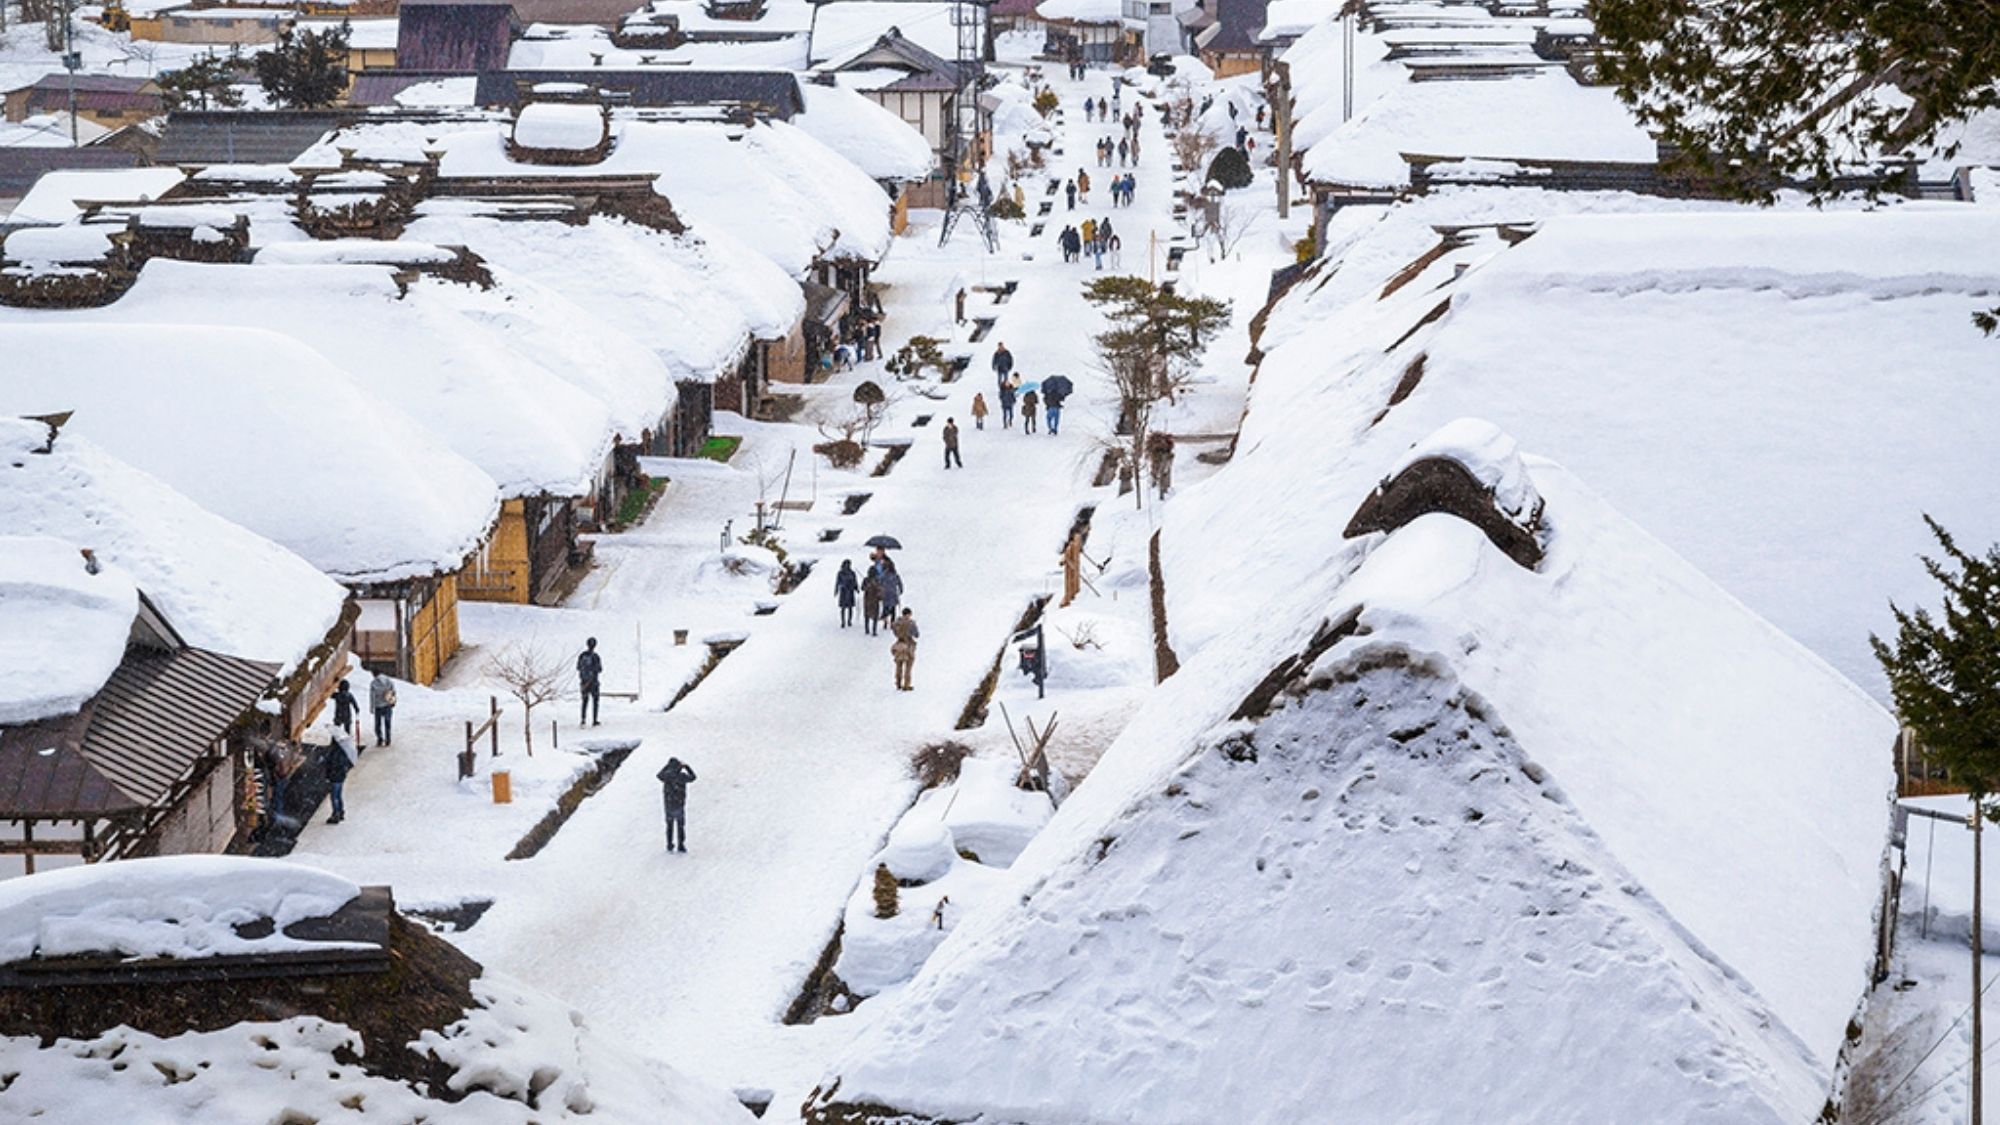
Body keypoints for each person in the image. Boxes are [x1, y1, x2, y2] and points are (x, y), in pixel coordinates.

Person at [657, 757, 696, 853]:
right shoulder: (682, 776)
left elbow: (658, 775)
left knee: (669, 826)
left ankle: (669, 844)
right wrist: (686, 767)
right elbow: (693, 777)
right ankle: (681, 845)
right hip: (679, 804)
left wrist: (666, 766)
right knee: (680, 826)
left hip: (668, 805)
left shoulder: (666, 776)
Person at [323, 730, 355, 825]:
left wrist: (330, 772)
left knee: (334, 796)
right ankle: (340, 811)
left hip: (335, 776)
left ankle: (336, 813)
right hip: (340, 776)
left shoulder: (335, 752)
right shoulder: (343, 750)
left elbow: (332, 763)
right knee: (338, 795)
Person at [890, 607, 920, 691]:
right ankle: (907, 684)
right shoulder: (911, 623)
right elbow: (916, 634)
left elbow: (894, 630)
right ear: (908, 614)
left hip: (899, 644)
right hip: (908, 645)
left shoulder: (897, 623)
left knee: (898, 665)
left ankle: (898, 683)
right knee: (908, 666)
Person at [577, 638, 603, 726]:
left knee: (584, 701)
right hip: (594, 682)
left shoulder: (582, 655)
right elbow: (599, 669)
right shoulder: (595, 656)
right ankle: (594, 720)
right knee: (595, 701)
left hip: (584, 682)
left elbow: (578, 667)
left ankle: (583, 719)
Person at [369, 671, 396, 747]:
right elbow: (393, 691)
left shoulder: (373, 683)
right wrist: (393, 700)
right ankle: (388, 739)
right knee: (387, 723)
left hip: (378, 706)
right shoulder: (388, 680)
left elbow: (372, 696)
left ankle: (380, 739)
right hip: (388, 705)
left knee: (378, 724)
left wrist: (372, 707)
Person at [879, 558, 904, 625]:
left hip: (885, 593)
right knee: (893, 609)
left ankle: (885, 622)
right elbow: (899, 583)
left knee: (885, 607)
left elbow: (879, 582)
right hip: (893, 593)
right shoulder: (895, 575)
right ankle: (892, 622)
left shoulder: (883, 575)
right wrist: (901, 590)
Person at [835, 560, 859, 628]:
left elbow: (855, 581)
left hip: (850, 591)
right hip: (843, 591)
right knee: (843, 608)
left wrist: (856, 588)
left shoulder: (852, 573)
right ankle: (843, 622)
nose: (848, 566)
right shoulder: (840, 573)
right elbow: (837, 582)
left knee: (850, 608)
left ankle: (849, 621)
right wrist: (836, 590)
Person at [861, 567, 882, 636]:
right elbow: (862, 588)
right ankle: (869, 630)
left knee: (871, 615)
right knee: (870, 615)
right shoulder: (867, 580)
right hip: (871, 600)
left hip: (871, 600)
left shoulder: (875, 580)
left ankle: (872, 630)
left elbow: (880, 589)